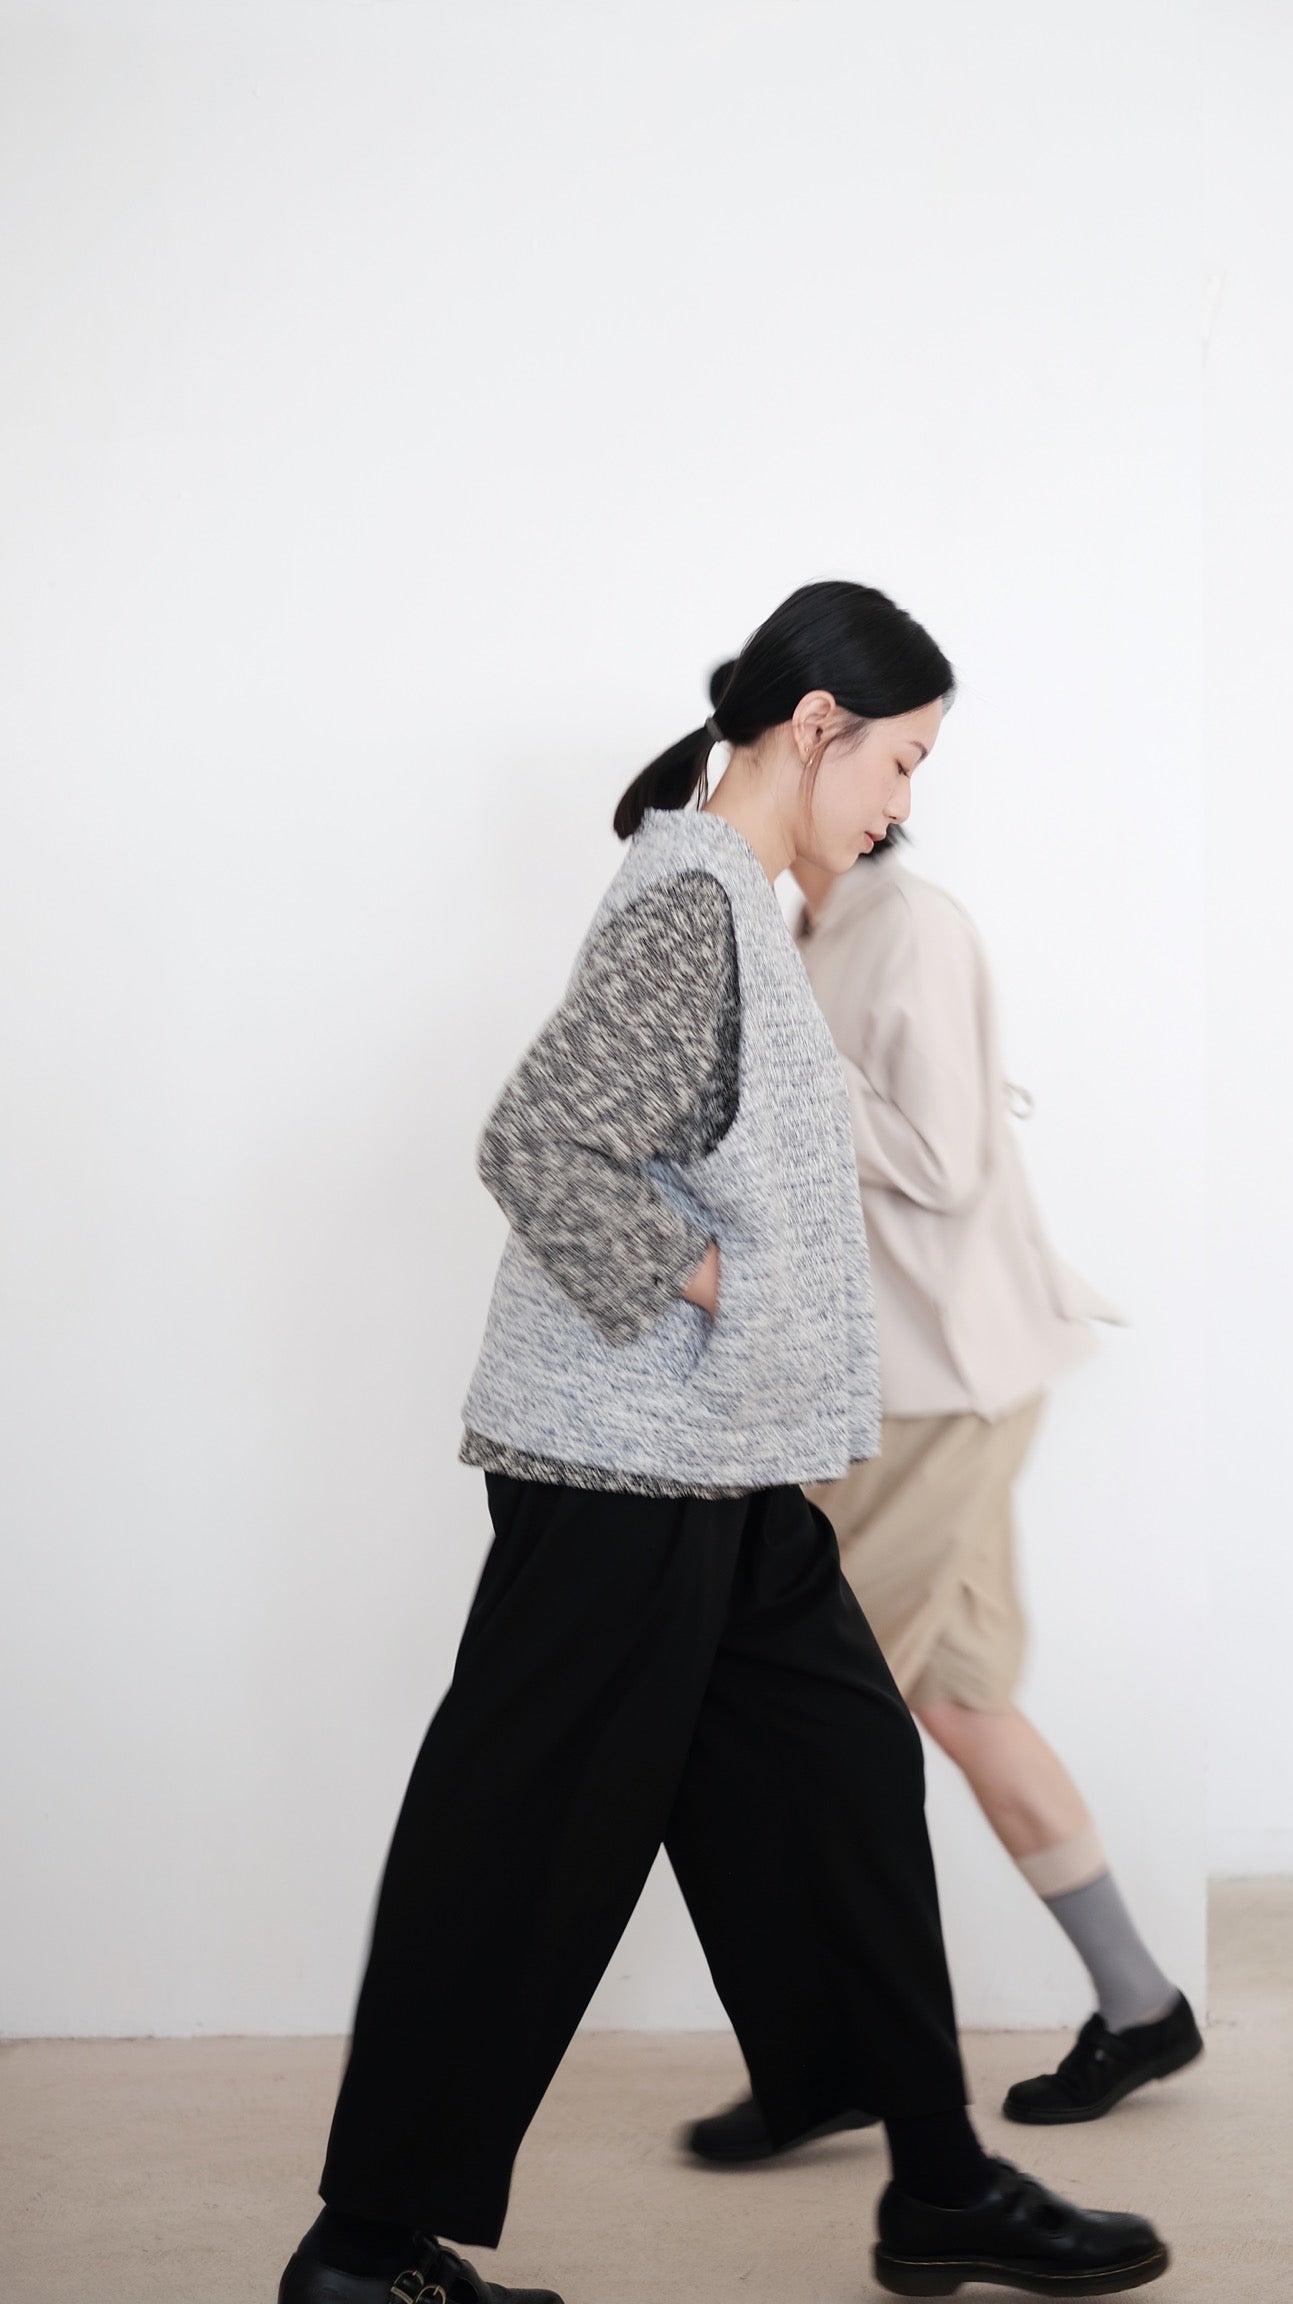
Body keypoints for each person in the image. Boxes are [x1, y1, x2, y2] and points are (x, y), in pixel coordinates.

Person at [276, 582, 1170, 2304]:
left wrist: (738, 1316)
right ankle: (364, 2251)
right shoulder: (694, 903)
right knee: (525, 1846)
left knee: (846, 1781)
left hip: (722, 1466)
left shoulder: (739, 902)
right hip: (621, 1474)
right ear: (817, 727)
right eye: (901, 761)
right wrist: (715, 1281)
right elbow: (539, 1145)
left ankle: (940, 2184)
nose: (902, 803)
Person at [685, 794, 1201, 2172]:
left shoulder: (910, 926)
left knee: (806, 1720)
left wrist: (777, 1061)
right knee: (962, 1703)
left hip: (933, 1392)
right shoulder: (808, 929)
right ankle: (1141, 2005)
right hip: (919, 1384)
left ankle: (829, 2063)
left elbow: (939, 1155)